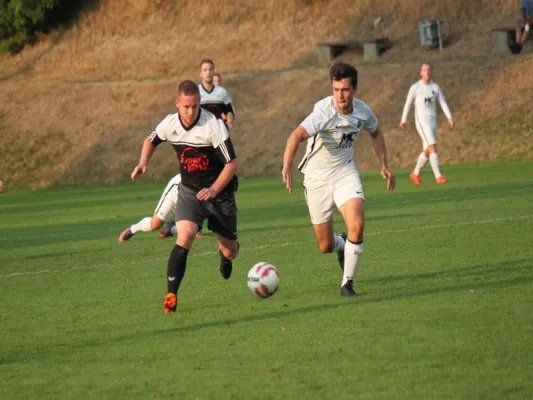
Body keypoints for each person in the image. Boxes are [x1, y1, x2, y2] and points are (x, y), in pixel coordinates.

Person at [281, 61, 396, 297]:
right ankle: (341, 244)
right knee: (325, 246)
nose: (340, 95)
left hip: (345, 172)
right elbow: (296, 136)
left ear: (354, 89)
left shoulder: (363, 111)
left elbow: (376, 133)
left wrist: (383, 164)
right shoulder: (323, 112)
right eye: (336, 90)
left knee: (357, 223)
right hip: (316, 178)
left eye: (344, 90)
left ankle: (347, 285)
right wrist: (287, 166)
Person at [131, 80, 239, 313]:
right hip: (190, 191)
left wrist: (214, 190)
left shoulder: (213, 124)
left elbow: (232, 164)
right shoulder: (170, 123)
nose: (191, 112)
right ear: (177, 103)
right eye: (186, 107)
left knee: (231, 249)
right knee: (186, 235)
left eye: (195, 106)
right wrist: (143, 162)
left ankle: (224, 254)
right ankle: (171, 294)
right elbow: (151, 140)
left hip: (220, 193)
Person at [400, 63, 454, 185]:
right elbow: (408, 103)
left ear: (431, 72)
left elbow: (442, 102)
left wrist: (449, 117)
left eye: (429, 70)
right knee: (433, 146)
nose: (427, 72)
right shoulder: (415, 88)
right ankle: (438, 176)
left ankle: (415, 173)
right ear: (421, 72)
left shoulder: (435, 87)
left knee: (428, 150)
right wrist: (403, 120)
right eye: (425, 70)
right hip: (421, 121)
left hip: (432, 120)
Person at [118, 174, 181, 242]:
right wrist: (142, 164)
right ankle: (133, 229)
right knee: (155, 224)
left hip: (192, 191)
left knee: (192, 229)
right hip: (177, 188)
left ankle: (171, 229)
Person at [198, 59, 235, 128]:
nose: (208, 72)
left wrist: (229, 118)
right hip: (202, 133)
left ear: (213, 72)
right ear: (201, 74)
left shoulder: (222, 92)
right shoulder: (196, 91)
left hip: (220, 133)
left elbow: (230, 110)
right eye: (205, 70)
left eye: (210, 69)